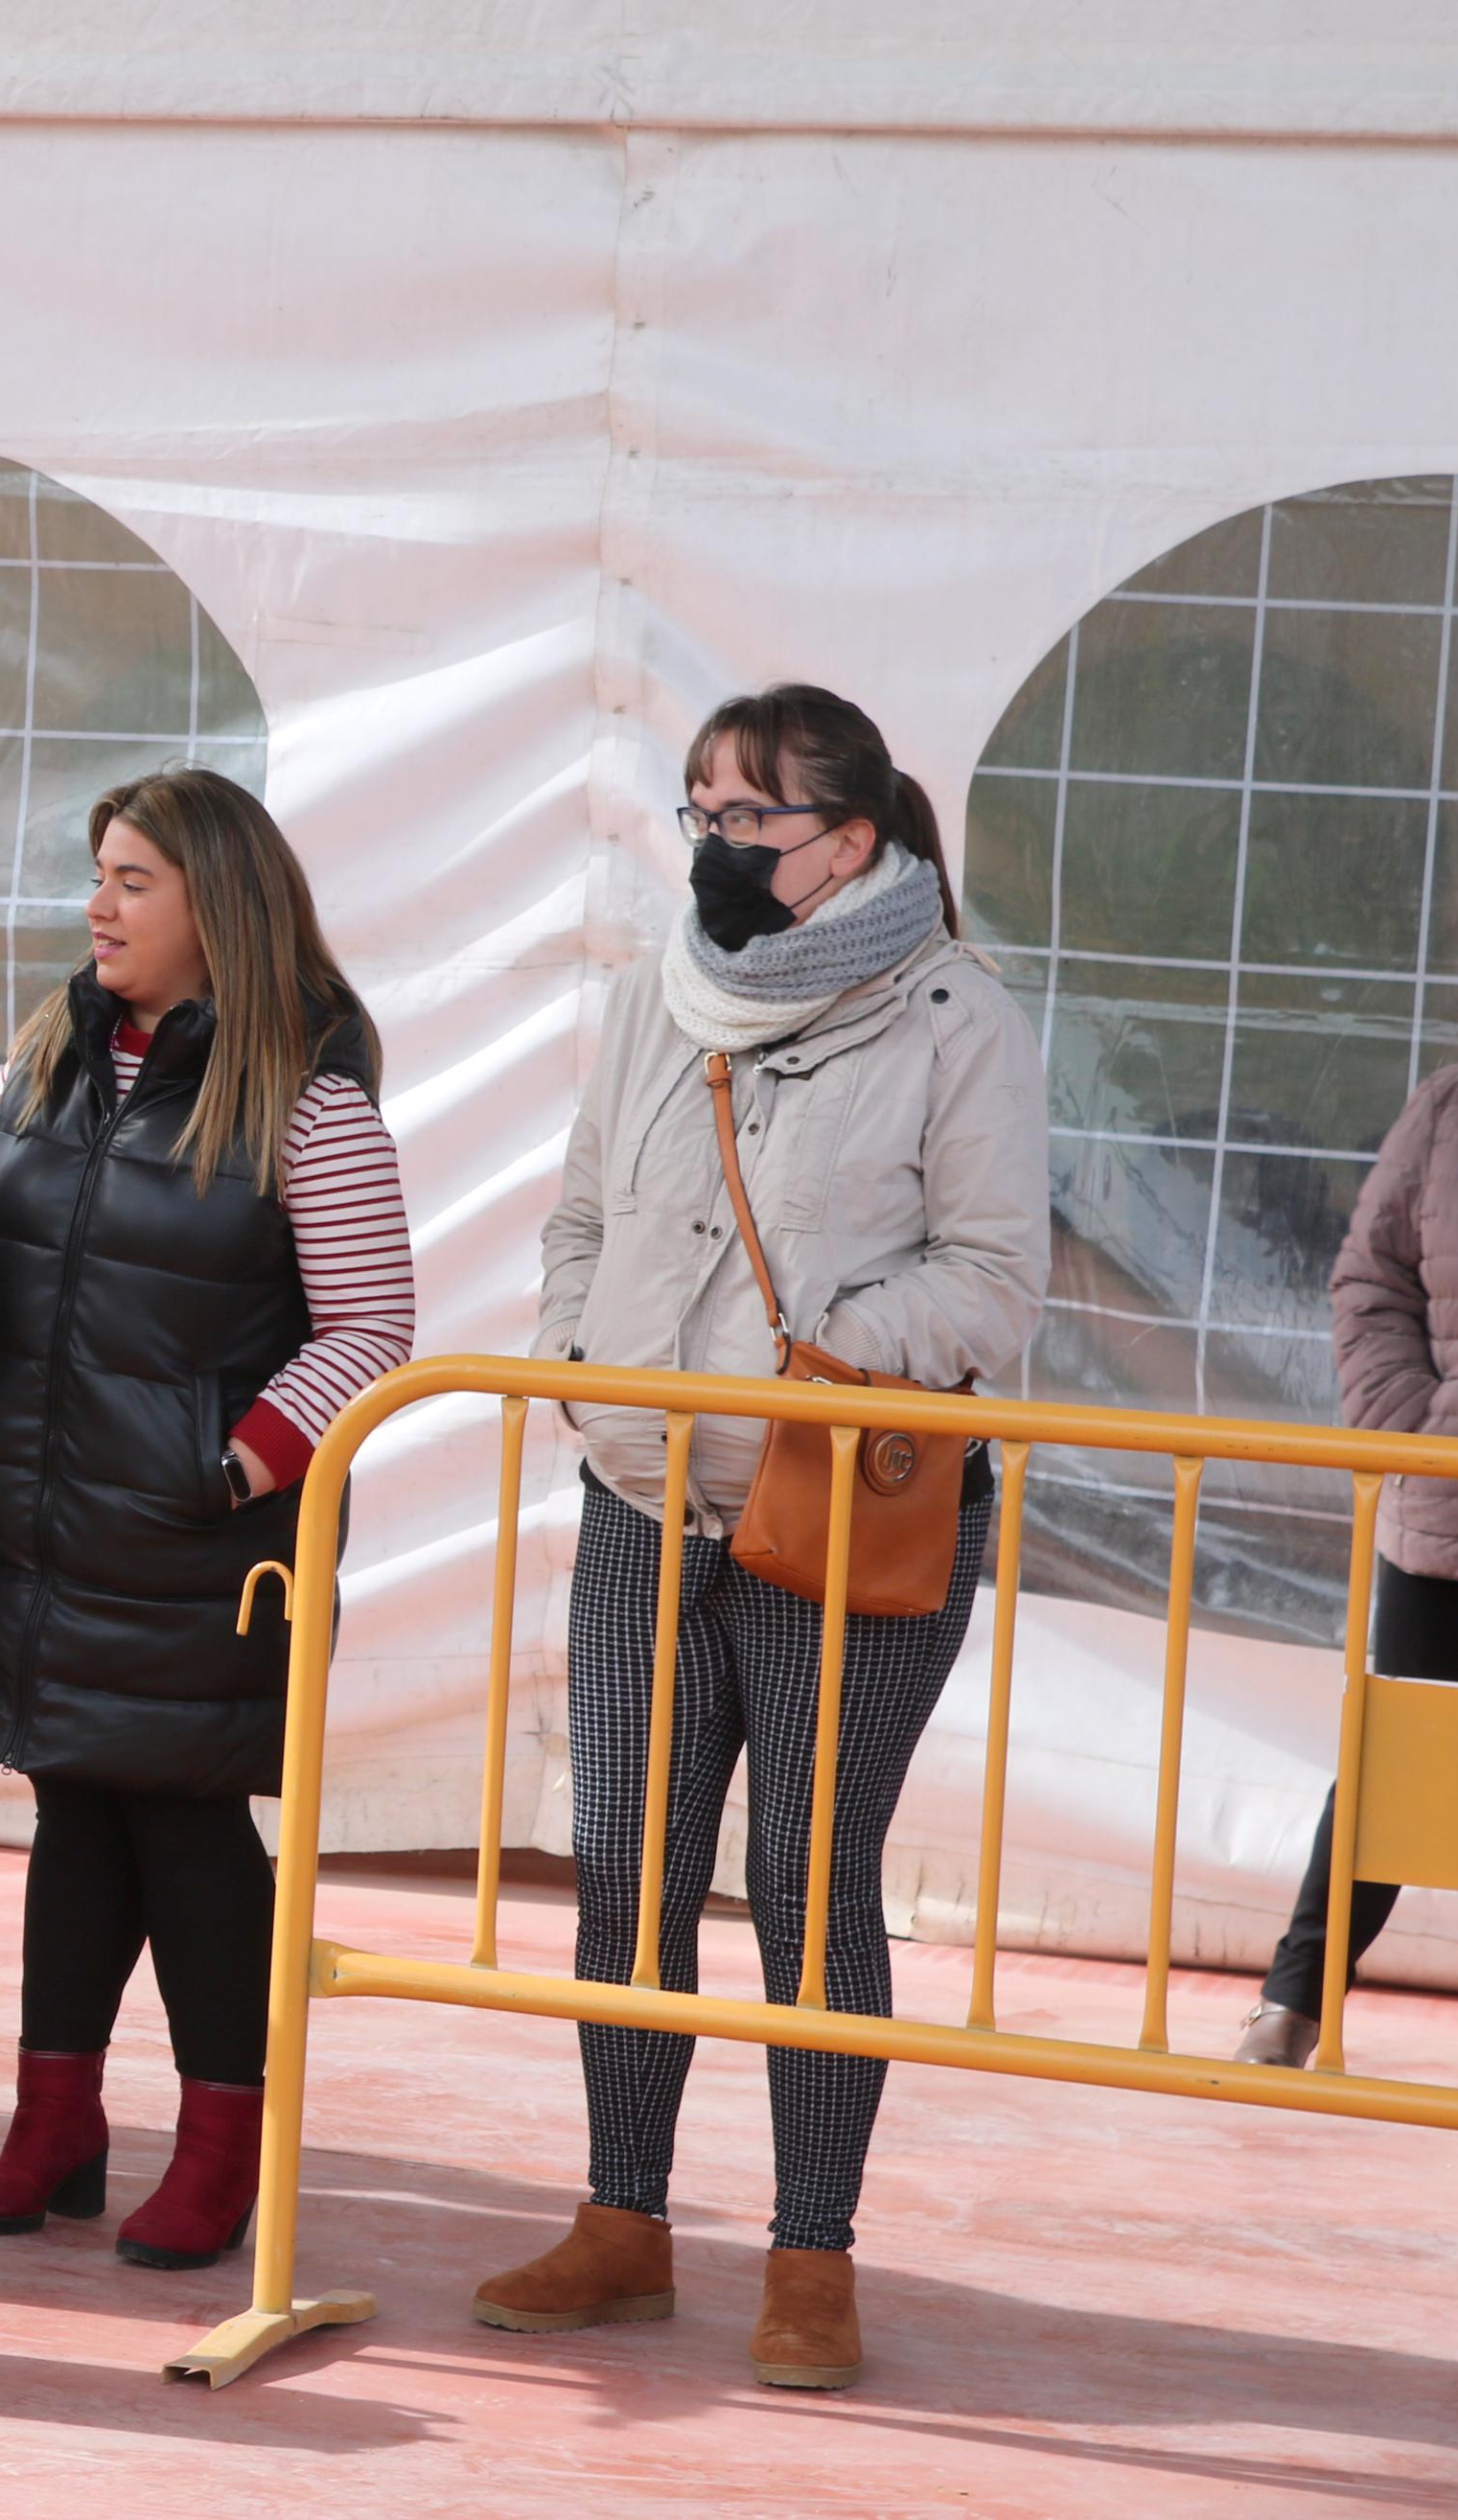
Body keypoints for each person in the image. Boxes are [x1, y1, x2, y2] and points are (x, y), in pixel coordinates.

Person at [480, 686, 1043, 2391]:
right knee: (623, 1871)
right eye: (698, 812)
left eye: (748, 819)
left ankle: (812, 2258)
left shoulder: (957, 1018)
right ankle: (621, 2220)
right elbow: (579, 1213)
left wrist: (818, 1351)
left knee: (808, 1884)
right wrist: (584, 1374)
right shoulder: (653, 999)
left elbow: (997, 1284)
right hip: (643, 1500)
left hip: (843, 1519)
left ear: (848, 841)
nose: (713, 844)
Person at [0, 769, 413, 2273]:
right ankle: (51, 2119)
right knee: (71, 1801)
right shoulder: (44, 1054)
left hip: (205, 1548)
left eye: (132, 877)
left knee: (190, 1830)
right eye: (97, 874)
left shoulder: (304, 1096)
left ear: (217, 902)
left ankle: (223, 2150)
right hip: (39, 1530)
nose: (96, 903)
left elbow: (369, 1322)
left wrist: (228, 1465)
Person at [1236, 930, 1458, 2069]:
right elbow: (1367, 1282)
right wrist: (1411, 1432)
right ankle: (1290, 2007)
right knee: (1391, 1773)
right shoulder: (1450, 1110)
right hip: (1451, 1508)